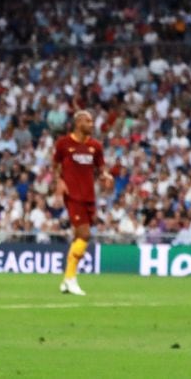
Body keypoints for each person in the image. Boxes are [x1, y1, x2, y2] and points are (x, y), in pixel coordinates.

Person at [52, 110, 113, 296]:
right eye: (88, 121)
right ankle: (71, 279)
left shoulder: (96, 146)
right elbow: (55, 166)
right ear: (78, 123)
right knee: (84, 234)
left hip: (89, 196)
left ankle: (66, 280)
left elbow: (101, 168)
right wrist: (60, 182)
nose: (92, 124)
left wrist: (106, 176)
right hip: (73, 195)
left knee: (80, 236)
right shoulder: (64, 143)